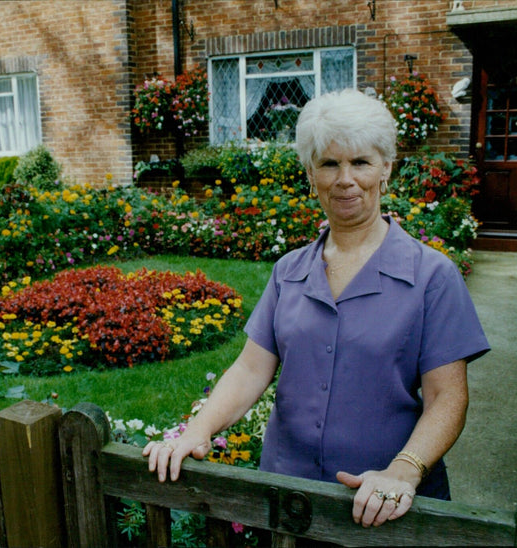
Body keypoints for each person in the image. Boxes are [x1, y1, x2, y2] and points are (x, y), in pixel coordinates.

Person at [143, 88, 490, 528]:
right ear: (311, 174)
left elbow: (447, 397)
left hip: (387, 504)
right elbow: (251, 370)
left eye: (360, 162)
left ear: (386, 168)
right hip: (291, 501)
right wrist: (197, 430)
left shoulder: (431, 276)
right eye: (329, 163)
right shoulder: (289, 271)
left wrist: (404, 469)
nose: (345, 178)